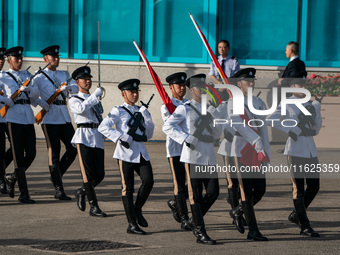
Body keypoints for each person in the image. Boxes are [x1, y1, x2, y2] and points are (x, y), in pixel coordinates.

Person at [163, 74, 222, 245]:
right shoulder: (185, 108)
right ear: (191, 90)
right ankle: (200, 231)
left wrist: (217, 118)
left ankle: (192, 220)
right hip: (193, 155)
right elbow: (167, 126)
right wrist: (184, 138)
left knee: (213, 192)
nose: (202, 90)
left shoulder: (209, 109)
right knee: (195, 195)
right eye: (198, 87)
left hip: (208, 154)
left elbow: (217, 134)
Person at [267, 72, 321, 237]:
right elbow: (271, 119)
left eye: (305, 85)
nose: (303, 87)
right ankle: (304, 225)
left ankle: (297, 213)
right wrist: (293, 129)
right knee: (299, 189)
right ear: (291, 87)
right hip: (295, 149)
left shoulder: (310, 103)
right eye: (300, 85)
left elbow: (316, 129)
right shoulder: (287, 104)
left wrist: (317, 110)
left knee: (314, 186)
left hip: (310, 148)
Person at [98, 78, 154, 235]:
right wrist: (121, 137)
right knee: (127, 189)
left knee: (148, 181)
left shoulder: (141, 110)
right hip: (125, 154)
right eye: (131, 92)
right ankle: (132, 224)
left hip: (141, 152)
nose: (135, 94)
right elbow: (103, 127)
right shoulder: (118, 110)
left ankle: (137, 208)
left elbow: (148, 134)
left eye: (136, 92)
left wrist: (147, 117)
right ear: (123, 94)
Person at [227, 68, 270, 241]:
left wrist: (264, 151)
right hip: (241, 150)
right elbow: (236, 123)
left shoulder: (259, 103)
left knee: (260, 190)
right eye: (248, 81)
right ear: (239, 84)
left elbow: (263, 130)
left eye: (253, 81)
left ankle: (237, 211)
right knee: (245, 190)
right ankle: (253, 230)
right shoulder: (233, 102)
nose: (251, 84)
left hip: (257, 150)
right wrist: (254, 140)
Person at [32, 45, 78, 200]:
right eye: (53, 57)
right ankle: (59, 189)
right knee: (55, 152)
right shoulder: (38, 77)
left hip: (63, 116)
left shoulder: (64, 74)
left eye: (58, 56)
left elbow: (75, 88)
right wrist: (40, 102)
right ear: (46, 59)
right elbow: (31, 95)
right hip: (49, 117)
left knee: (73, 148)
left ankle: (56, 175)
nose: (57, 59)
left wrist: (68, 87)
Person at [0, 46, 40, 203]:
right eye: (17, 59)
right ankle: (24, 193)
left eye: (21, 58)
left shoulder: (26, 74)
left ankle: (11, 179)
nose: (20, 61)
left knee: (31, 154)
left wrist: (28, 87)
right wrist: (6, 99)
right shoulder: (2, 76)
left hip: (28, 117)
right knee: (17, 156)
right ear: (9, 60)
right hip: (13, 117)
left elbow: (36, 93)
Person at [69, 65, 106, 217]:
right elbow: (81, 109)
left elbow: (99, 114)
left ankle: (82, 191)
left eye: (89, 79)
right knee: (88, 174)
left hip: (96, 135)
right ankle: (94, 206)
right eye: (84, 79)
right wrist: (94, 97)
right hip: (83, 136)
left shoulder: (94, 99)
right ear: (77, 82)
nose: (87, 82)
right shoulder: (73, 99)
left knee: (100, 174)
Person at [161, 72, 191, 231]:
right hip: (175, 149)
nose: (182, 88)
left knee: (194, 182)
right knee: (179, 183)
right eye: (178, 86)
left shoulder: (189, 103)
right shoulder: (166, 105)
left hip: (191, 149)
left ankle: (175, 202)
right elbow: (170, 126)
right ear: (171, 88)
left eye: (183, 85)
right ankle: (184, 217)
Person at [0, 47, 13, 194]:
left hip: (7, 118)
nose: (0, 62)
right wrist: (5, 99)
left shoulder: (7, 76)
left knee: (16, 147)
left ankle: (2, 172)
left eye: (2, 59)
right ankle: (2, 179)